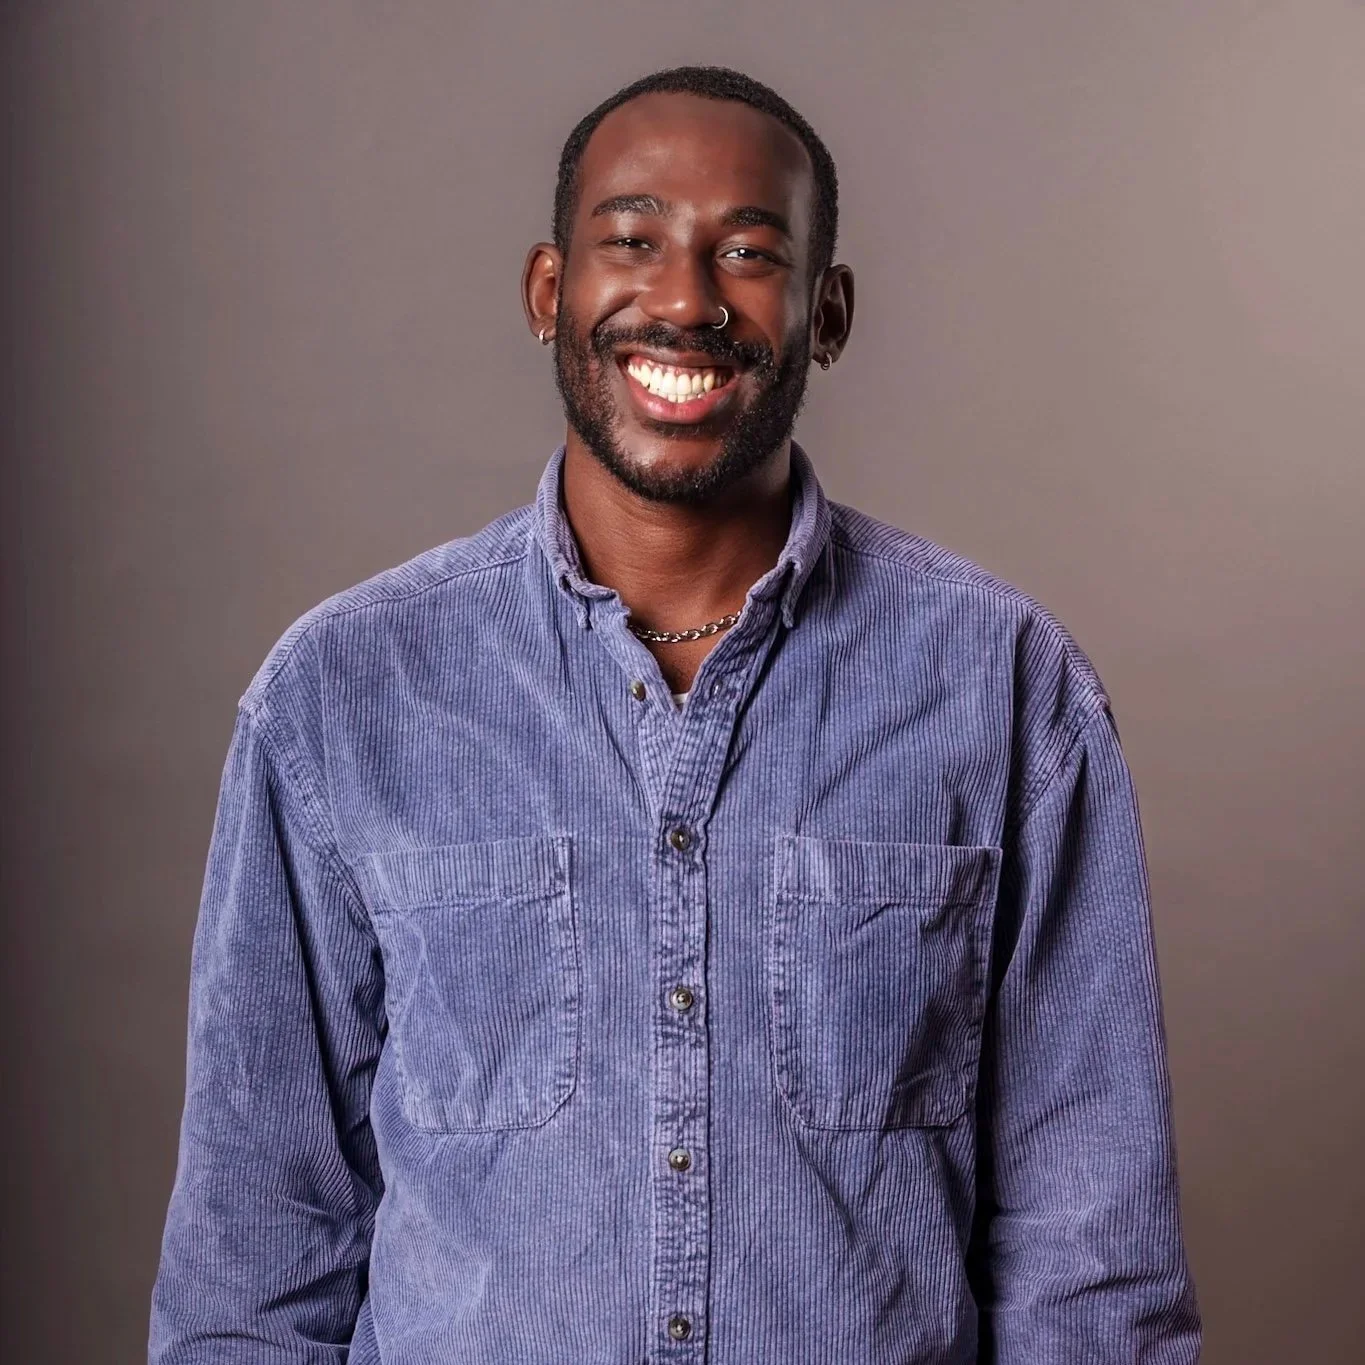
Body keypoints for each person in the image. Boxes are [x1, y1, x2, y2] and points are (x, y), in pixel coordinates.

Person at [149, 65, 1201, 1364]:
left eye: (749, 252)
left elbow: (1093, 1268)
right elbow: (254, 1264)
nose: (688, 298)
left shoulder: (1005, 689)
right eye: (633, 240)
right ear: (551, 292)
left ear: (829, 312)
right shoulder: (342, 696)